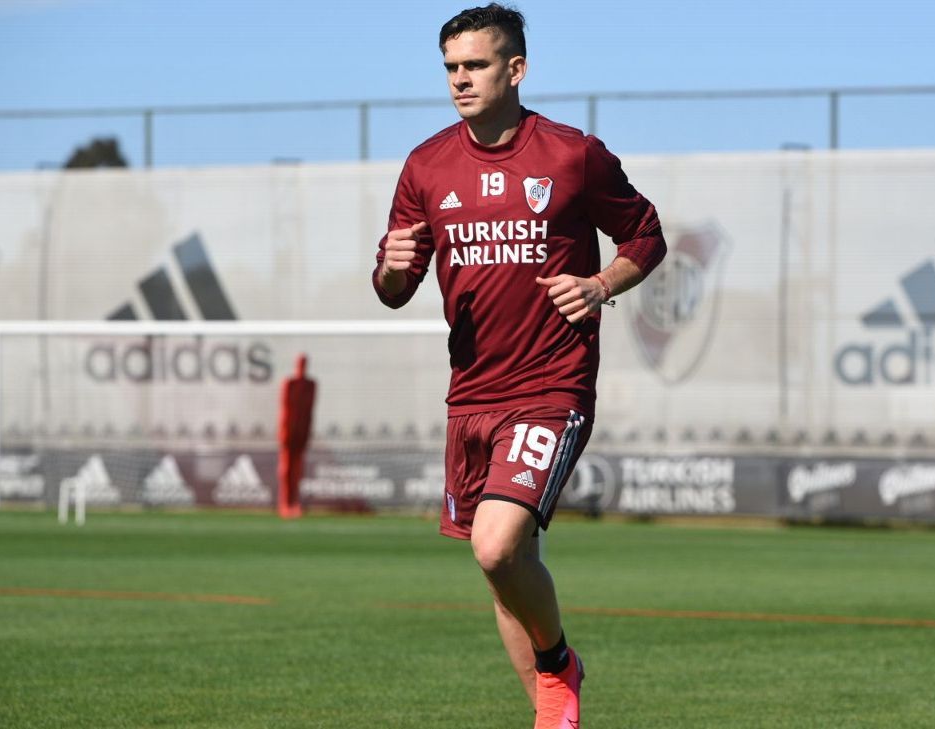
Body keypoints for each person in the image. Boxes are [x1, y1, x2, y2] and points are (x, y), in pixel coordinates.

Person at [372, 4, 665, 726]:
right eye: (451, 68)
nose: (460, 80)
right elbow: (393, 289)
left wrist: (599, 286)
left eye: (474, 65)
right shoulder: (426, 165)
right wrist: (389, 266)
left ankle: (557, 666)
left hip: (551, 385)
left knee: (498, 546)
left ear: (516, 69)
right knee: (502, 565)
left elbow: (646, 235)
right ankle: (551, 710)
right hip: (469, 393)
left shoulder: (571, 155)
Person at [277, 354, 316, 519]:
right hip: (289, 432)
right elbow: (284, 408)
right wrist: (283, 430)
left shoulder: (311, 385)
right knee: (286, 468)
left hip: (301, 432)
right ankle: (285, 502)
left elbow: (310, 410)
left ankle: (295, 502)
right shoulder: (289, 383)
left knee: (298, 469)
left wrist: (307, 430)